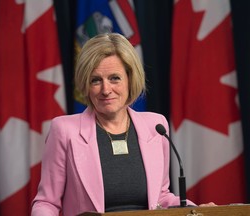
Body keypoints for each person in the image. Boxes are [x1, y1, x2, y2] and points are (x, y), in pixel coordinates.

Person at [31, 33, 213, 216]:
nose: (106, 90)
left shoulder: (156, 127)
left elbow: (161, 198)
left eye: (114, 78)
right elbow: (47, 203)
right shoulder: (64, 131)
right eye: (96, 80)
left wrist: (195, 210)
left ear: (130, 79)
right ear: (86, 85)